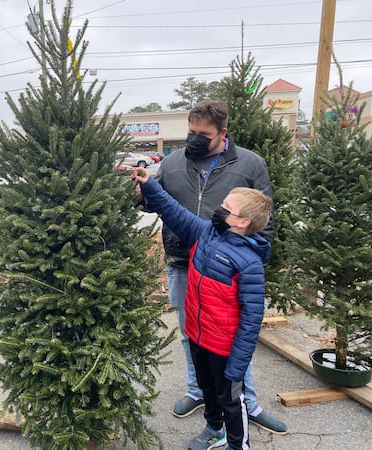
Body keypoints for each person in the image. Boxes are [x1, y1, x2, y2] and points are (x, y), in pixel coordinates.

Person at [152, 100, 287, 435]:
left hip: (226, 272)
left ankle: (246, 402)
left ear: (222, 133)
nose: (195, 139)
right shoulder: (171, 163)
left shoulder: (250, 164)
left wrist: (245, 262)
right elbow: (166, 207)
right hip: (184, 264)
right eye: (191, 131)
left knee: (231, 342)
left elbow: (263, 222)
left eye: (204, 134)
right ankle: (198, 392)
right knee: (191, 335)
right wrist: (142, 192)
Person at [134, 167, 272, 450]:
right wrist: (150, 185)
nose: (219, 209)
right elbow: (173, 211)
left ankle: (238, 444)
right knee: (208, 391)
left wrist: (238, 364)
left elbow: (251, 320)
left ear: (243, 221)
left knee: (232, 400)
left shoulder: (249, 264)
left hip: (224, 349)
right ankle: (214, 429)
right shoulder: (206, 233)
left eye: (227, 208)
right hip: (199, 337)